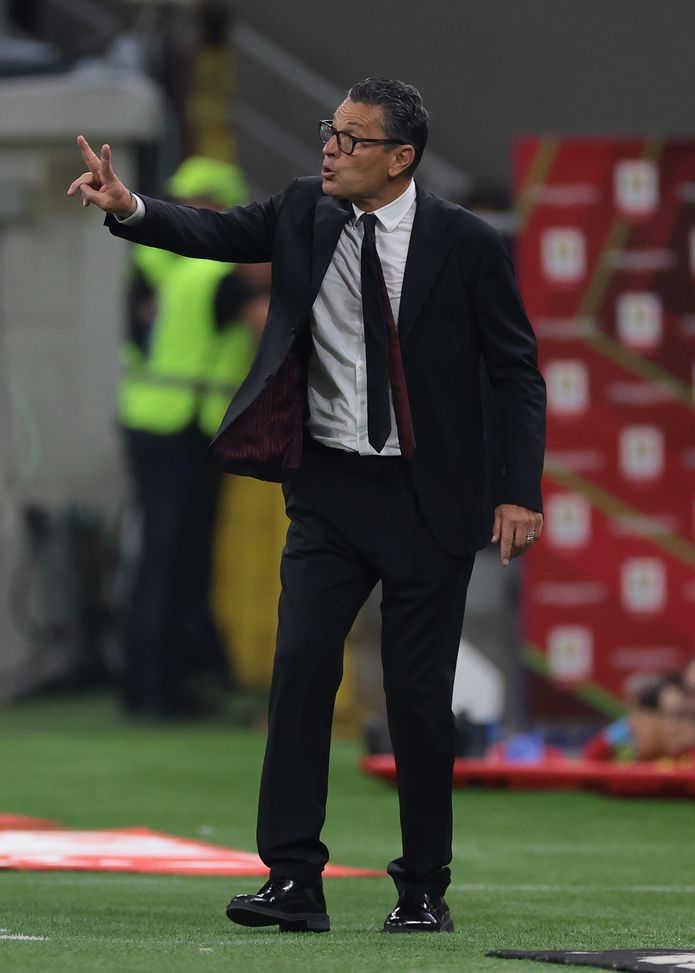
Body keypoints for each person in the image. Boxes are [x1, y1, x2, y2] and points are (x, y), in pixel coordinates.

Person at [68, 77, 546, 933]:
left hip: (426, 498)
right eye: (330, 131)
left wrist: (518, 489)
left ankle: (423, 887)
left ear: (400, 159)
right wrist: (131, 204)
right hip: (327, 491)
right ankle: (294, 878)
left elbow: (515, 371)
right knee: (298, 676)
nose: (330, 147)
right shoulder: (301, 210)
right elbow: (212, 232)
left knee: (415, 700)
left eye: (353, 139)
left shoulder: (464, 243)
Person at [118, 157, 269, 718]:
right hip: (179, 426)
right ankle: (160, 687)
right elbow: (272, 327)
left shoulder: (159, 264)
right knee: (173, 556)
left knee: (165, 555)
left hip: (155, 420)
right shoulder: (215, 274)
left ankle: (156, 681)